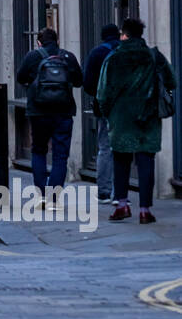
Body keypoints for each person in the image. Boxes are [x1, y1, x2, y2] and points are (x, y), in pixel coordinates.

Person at [97, 16, 176, 224]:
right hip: (148, 117)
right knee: (146, 161)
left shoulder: (113, 58)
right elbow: (172, 81)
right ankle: (144, 209)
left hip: (121, 118)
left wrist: (108, 114)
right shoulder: (154, 56)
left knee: (121, 161)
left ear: (124, 34)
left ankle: (122, 205)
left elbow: (102, 93)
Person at [16, 27, 83, 198]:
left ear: (39, 42)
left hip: (39, 112)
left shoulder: (33, 56)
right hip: (64, 112)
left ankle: (41, 194)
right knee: (60, 156)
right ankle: (53, 196)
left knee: (38, 150)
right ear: (57, 41)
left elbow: (20, 78)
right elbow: (78, 81)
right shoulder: (67, 57)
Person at [83, 24, 121, 202]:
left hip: (104, 107)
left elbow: (88, 84)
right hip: (126, 108)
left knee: (105, 148)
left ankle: (105, 191)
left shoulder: (97, 53)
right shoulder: (125, 51)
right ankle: (121, 192)